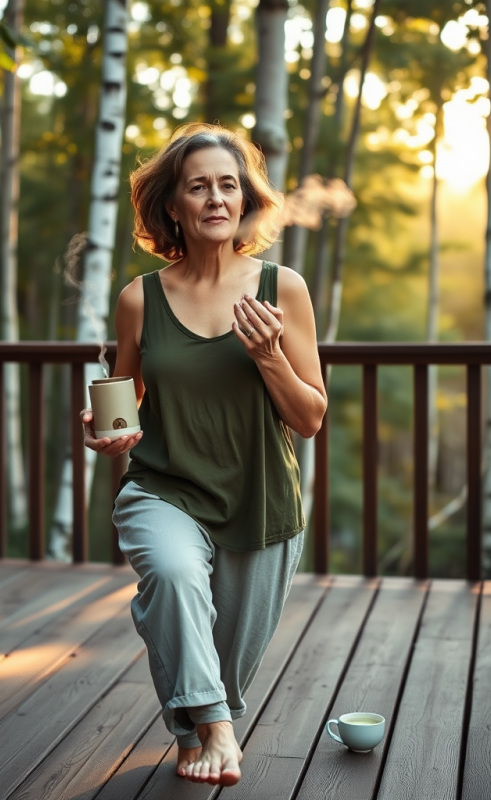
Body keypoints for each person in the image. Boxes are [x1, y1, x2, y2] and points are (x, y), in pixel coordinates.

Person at [80, 123, 327, 786]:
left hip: (261, 502)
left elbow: (308, 419)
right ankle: (216, 730)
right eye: (199, 187)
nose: (216, 198)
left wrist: (270, 356)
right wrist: (104, 431)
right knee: (173, 575)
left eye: (229, 185)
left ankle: (198, 733)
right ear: (173, 207)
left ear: (245, 199)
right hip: (164, 489)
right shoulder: (140, 298)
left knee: (221, 662)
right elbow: (123, 407)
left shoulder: (284, 287)